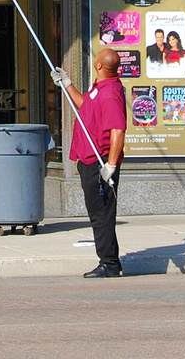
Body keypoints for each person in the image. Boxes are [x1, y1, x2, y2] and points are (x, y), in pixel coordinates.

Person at [52, 47, 126, 278]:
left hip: (100, 162)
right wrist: (67, 84)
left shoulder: (110, 93)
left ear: (99, 65)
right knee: (97, 212)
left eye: (97, 58)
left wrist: (110, 166)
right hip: (89, 158)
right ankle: (110, 260)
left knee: (101, 214)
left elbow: (118, 130)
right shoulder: (100, 88)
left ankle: (109, 264)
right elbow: (85, 106)